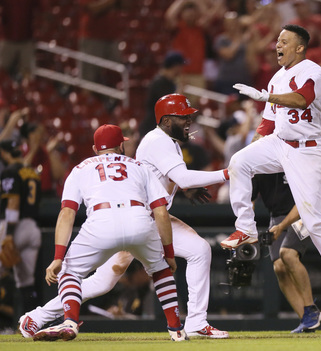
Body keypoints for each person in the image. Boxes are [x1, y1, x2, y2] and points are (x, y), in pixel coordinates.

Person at [19, 94, 229, 339]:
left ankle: (195, 322)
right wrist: (228, 172)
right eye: (184, 117)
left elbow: (173, 178)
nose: (189, 121)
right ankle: (38, 317)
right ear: (167, 119)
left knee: (198, 250)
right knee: (106, 281)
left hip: (134, 217)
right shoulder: (156, 141)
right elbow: (180, 178)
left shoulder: (165, 142)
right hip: (145, 218)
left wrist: (184, 186)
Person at [220, 24, 321, 313]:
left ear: (300, 47)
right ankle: (244, 228)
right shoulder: (276, 78)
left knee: (313, 219)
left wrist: (266, 97)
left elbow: (302, 98)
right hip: (280, 143)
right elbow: (268, 121)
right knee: (240, 162)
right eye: (277, 40)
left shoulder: (313, 71)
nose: (277, 44)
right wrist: (256, 141)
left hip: (310, 149)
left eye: (284, 40)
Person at [31, 124, 187, 342]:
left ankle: (70, 321)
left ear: (96, 148)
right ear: (121, 145)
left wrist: (58, 257)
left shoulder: (80, 168)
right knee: (160, 269)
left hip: (101, 221)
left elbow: (67, 214)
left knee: (69, 270)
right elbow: (160, 212)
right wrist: (168, 252)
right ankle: (176, 329)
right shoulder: (139, 166)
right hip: (138, 218)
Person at [252, 172, 321, 333]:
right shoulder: (257, 167)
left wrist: (281, 226)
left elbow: (304, 202)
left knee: (288, 254)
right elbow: (249, 201)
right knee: (279, 267)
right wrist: (245, 227)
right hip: (276, 217)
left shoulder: (292, 159)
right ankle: (307, 321)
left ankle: (310, 308)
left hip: (304, 213)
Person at [0, 140, 41, 313]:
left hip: (14, 227)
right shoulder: (31, 172)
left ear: (4, 153)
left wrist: (9, 234)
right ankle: (30, 324)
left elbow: (13, 202)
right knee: (26, 282)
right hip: (32, 228)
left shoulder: (10, 171)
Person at [139, 51, 187, 138]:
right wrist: (181, 89)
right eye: (181, 66)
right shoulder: (159, 83)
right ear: (175, 66)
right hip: (151, 127)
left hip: (160, 128)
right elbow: (170, 106)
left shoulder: (170, 83)